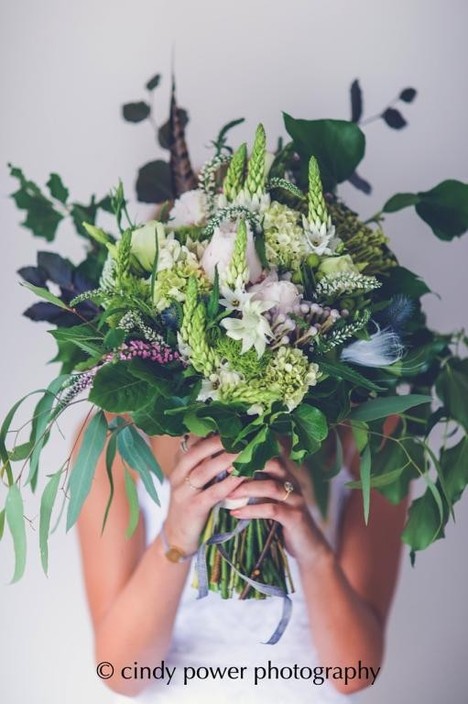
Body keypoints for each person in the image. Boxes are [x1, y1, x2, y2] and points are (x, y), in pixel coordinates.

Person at [76, 418, 407, 703]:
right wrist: (175, 537)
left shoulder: (377, 433)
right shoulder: (112, 433)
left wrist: (312, 551)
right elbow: (121, 673)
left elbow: (353, 672)